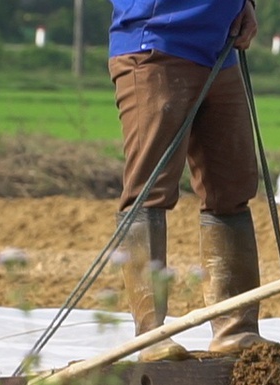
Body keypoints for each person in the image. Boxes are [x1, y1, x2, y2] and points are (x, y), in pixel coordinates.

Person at [108, 0, 268, 362]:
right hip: (155, 46)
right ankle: (150, 335)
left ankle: (236, 330)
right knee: (149, 190)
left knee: (232, 188)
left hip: (221, 51)